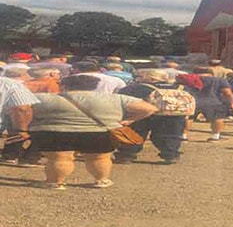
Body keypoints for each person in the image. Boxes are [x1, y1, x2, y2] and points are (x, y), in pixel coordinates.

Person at [28, 74, 156, 189]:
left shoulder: (45, 98)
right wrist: (129, 120)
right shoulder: (116, 98)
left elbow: (23, 108)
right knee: (99, 158)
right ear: (94, 86)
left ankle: (55, 182)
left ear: (65, 85)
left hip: (57, 132)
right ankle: (101, 181)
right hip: (100, 132)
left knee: (59, 159)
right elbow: (149, 108)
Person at [116, 69, 196, 164]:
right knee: (171, 135)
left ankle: (126, 155)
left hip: (143, 115)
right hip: (174, 115)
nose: (138, 78)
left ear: (150, 77)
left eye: (141, 76)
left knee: (136, 133)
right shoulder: (181, 87)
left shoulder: (137, 88)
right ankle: (171, 154)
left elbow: (122, 99)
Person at [0, 76, 38, 167]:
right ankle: (11, 154)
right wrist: (22, 131)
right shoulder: (10, 85)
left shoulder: (9, 84)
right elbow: (21, 108)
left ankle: (10, 154)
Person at [189, 66, 233, 141]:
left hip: (193, 102)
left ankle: (183, 136)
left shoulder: (189, 79)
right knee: (217, 118)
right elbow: (228, 93)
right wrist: (231, 104)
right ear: (211, 73)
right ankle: (215, 136)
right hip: (214, 102)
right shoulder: (219, 80)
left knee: (189, 118)